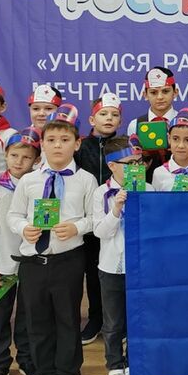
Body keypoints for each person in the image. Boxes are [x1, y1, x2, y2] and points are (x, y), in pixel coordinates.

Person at [8, 104, 98, 375]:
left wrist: (76, 227)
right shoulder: (29, 180)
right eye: (51, 140)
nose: (57, 145)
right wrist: (24, 229)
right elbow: (13, 215)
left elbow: (93, 218)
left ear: (77, 143)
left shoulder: (85, 180)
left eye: (64, 140)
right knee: (37, 318)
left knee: (67, 317)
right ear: (42, 144)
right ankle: (44, 373)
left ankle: (67, 371)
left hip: (67, 260)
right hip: (33, 261)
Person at [0, 129, 40, 375]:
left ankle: (26, 359)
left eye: (26, 157)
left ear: (36, 160)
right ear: (5, 155)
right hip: (2, 266)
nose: (19, 161)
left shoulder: (39, 185)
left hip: (31, 264)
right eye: (14, 155)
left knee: (28, 317)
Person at [92, 137, 150, 375]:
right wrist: (116, 209)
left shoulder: (149, 188)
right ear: (112, 166)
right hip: (111, 268)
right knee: (113, 323)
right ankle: (115, 366)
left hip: (142, 266)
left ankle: (134, 366)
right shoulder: (101, 193)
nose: (136, 168)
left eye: (138, 163)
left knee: (139, 320)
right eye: (129, 164)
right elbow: (100, 232)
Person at [74, 92, 123, 345]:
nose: (109, 118)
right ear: (92, 119)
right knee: (93, 272)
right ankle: (95, 318)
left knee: (118, 272)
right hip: (91, 217)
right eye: (103, 114)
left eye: (114, 115)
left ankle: (119, 322)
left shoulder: (124, 145)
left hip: (119, 217)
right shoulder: (81, 147)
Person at [127, 67, 178, 178]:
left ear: (175, 92)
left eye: (165, 91)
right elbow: (130, 162)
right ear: (145, 94)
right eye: (153, 92)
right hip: (143, 182)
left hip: (177, 182)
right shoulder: (135, 125)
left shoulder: (184, 122)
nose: (160, 97)